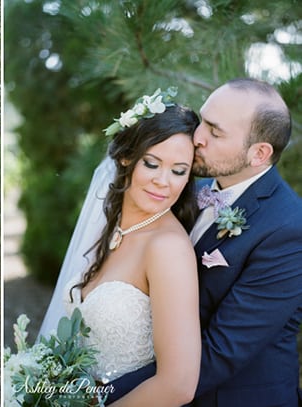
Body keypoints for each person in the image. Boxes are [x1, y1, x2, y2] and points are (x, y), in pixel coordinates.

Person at [106, 79, 302, 406]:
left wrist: (99, 390)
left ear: (259, 153)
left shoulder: (288, 229)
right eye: (202, 121)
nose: (197, 138)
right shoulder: (192, 191)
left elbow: (221, 351)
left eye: (215, 131)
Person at [40, 89, 202, 405]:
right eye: (152, 164)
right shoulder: (113, 227)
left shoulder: (168, 248)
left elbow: (178, 385)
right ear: (126, 157)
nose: (163, 181)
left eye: (179, 171)